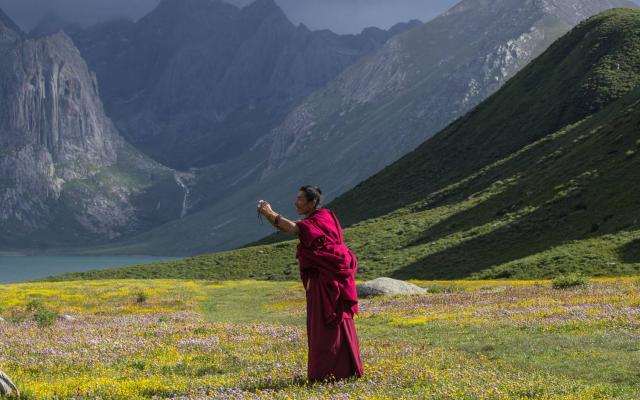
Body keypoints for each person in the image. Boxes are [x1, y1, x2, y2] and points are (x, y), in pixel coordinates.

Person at [257, 185, 364, 382]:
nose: (295, 202)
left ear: (312, 202)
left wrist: (269, 213)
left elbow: (295, 229)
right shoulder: (326, 216)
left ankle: (327, 373)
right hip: (330, 278)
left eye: (300, 199)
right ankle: (345, 370)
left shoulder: (319, 219)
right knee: (336, 322)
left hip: (324, 281)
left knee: (325, 325)